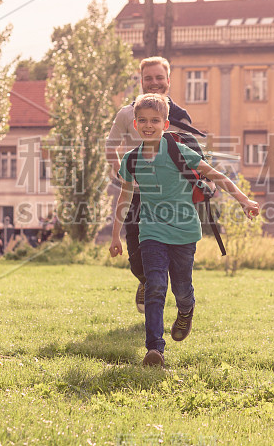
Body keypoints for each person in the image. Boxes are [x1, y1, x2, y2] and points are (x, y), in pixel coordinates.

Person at [109, 93, 259, 367]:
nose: (148, 125)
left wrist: (244, 200)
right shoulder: (130, 159)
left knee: (180, 289)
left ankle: (186, 310)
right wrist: (115, 236)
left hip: (184, 233)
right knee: (155, 286)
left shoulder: (178, 151)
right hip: (151, 231)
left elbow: (217, 176)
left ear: (165, 125)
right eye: (142, 120)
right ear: (134, 125)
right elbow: (124, 197)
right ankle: (155, 349)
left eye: (155, 120)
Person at [105, 56, 204, 315]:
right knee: (136, 256)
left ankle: (161, 291)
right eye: (148, 78)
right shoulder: (127, 114)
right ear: (141, 80)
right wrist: (125, 176)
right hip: (138, 195)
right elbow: (110, 147)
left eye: (159, 78)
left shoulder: (180, 116)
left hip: (173, 198)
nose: (154, 82)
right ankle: (144, 279)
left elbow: (191, 157)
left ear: (168, 81)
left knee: (169, 259)